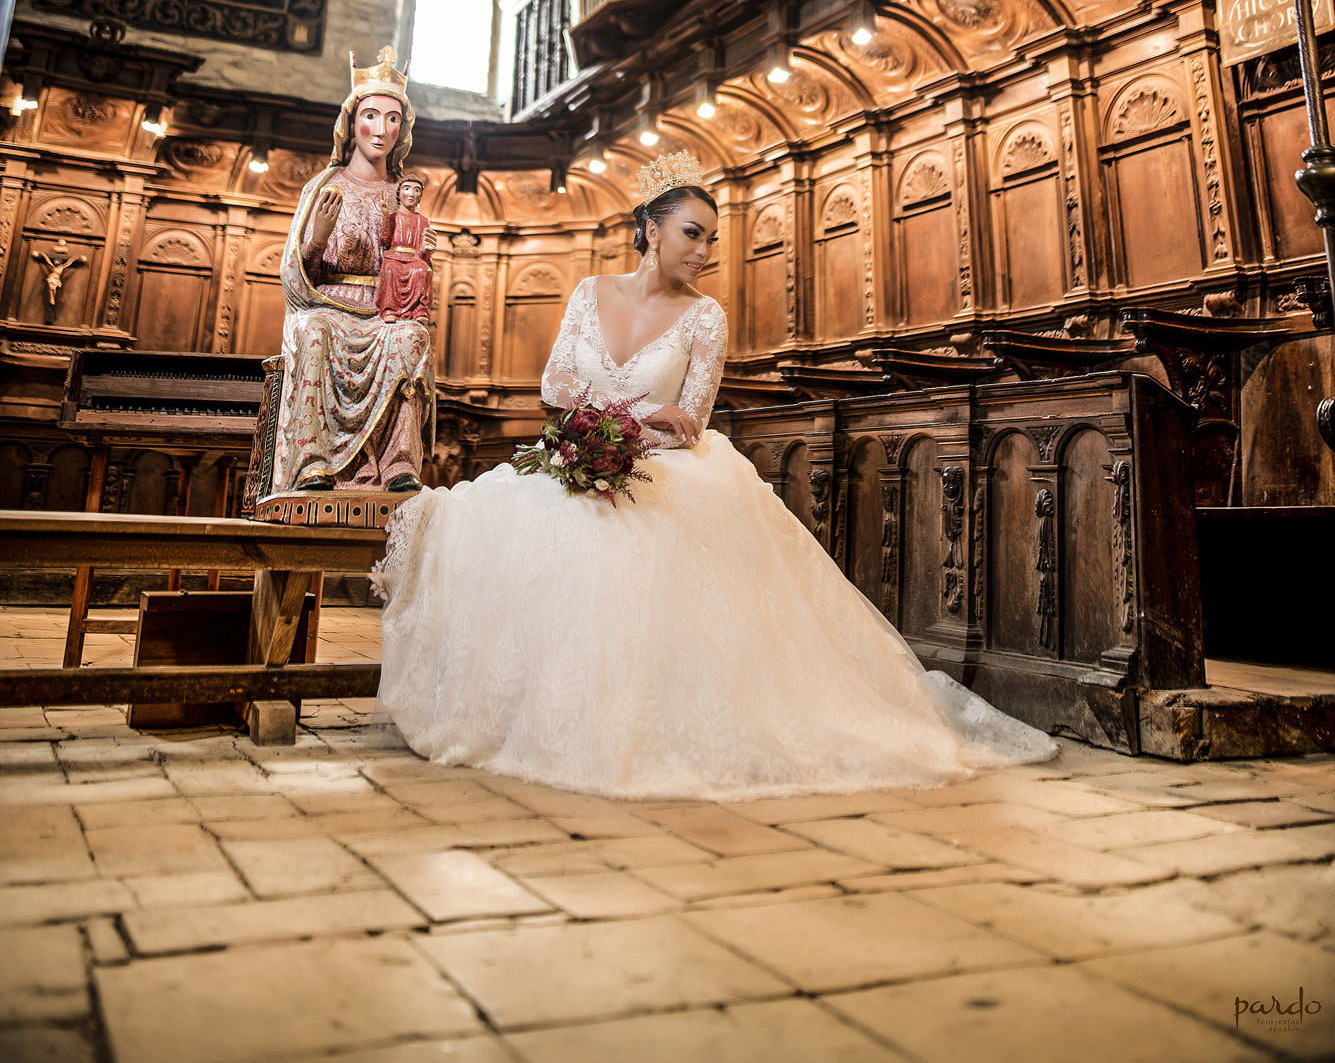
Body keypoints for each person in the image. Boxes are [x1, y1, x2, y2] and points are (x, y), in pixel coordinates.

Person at [374, 149, 1055, 798]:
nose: (703, 253)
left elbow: (690, 421)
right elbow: (554, 383)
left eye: (710, 241)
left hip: (667, 470)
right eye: (691, 235)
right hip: (578, 451)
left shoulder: (705, 316)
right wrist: (623, 419)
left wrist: (626, 426)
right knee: (494, 526)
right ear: (649, 229)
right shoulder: (587, 291)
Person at [271, 48, 434, 496]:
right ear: (352, 122)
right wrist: (318, 237)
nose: (381, 130)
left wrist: (421, 257)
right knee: (315, 332)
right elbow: (295, 277)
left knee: (411, 338)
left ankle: (398, 466)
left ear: (403, 128)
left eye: (393, 119)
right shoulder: (324, 186)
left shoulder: (401, 195)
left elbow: (409, 264)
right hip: (328, 304)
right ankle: (312, 463)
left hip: (385, 309)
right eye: (371, 116)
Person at [376, 177, 433, 325]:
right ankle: (389, 310)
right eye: (406, 188)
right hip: (394, 256)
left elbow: (422, 250)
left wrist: (426, 251)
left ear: (420, 196)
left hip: (413, 258)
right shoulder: (393, 216)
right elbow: (384, 240)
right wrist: (385, 216)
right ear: (399, 193)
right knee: (390, 270)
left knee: (422, 270)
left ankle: (419, 310)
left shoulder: (423, 221)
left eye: (416, 190)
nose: (411, 194)